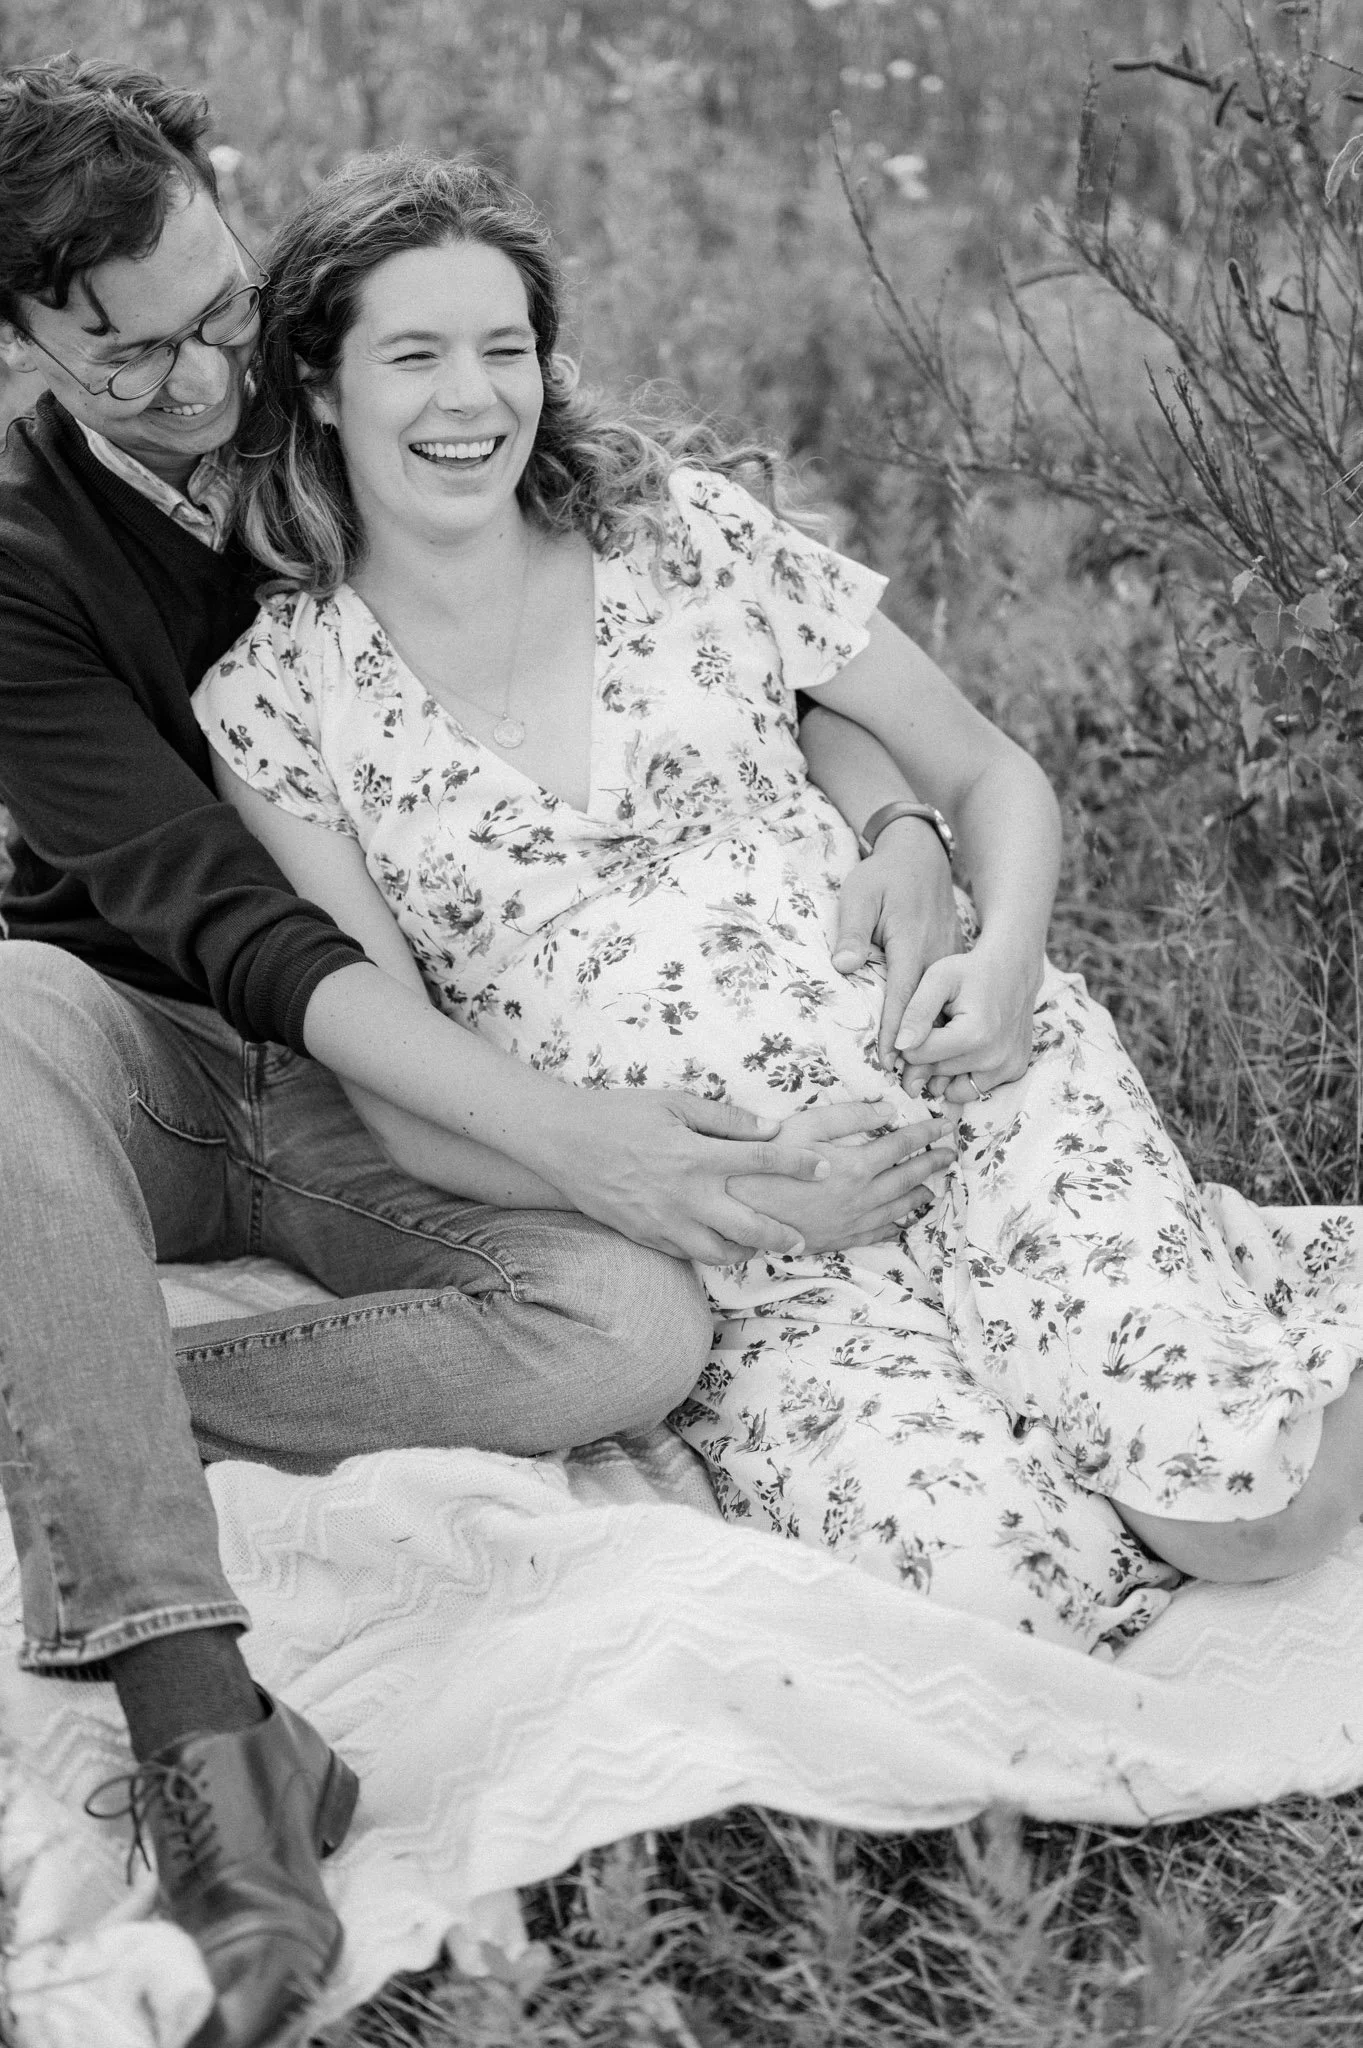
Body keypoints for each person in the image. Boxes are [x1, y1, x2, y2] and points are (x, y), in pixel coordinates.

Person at [0, 60, 963, 2048]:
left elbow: (730, 622)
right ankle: (211, 1758)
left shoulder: (381, 372)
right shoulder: (20, 571)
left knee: (630, 1323)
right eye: (125, 365)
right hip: (169, 1049)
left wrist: (897, 819)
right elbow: (227, 917)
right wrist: (577, 1134)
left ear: (229, 203)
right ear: (20, 346)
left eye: (216, 313)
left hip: (424, 1069)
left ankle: (95, 1397)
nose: (200, 387)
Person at [195, 146, 1363, 1667]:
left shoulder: (680, 537)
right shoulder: (278, 704)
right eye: (412, 355)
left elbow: (992, 774)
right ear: (322, 385)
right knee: (997, 1610)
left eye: (504, 350)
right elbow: (410, 1105)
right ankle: (1149, 1330)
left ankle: (1179, 1319)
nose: (470, 398)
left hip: (967, 1100)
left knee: (1242, 1518)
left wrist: (1002, 961)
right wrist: (725, 1197)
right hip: (744, 1246)